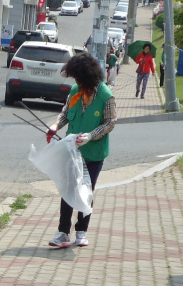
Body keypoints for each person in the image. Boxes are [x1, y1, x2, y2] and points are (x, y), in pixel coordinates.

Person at [45, 52, 116, 248]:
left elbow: (110, 123)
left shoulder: (106, 95)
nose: (77, 82)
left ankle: (82, 231)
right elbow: (66, 113)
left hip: (93, 153)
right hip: (72, 150)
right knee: (68, 189)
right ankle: (62, 232)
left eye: (79, 78)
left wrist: (91, 135)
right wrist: (55, 126)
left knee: (86, 190)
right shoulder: (75, 90)